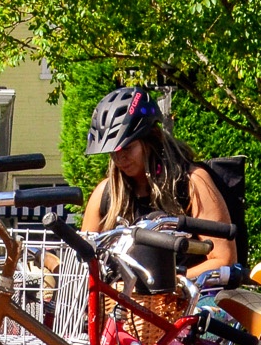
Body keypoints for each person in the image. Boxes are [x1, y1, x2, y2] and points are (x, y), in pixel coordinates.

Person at [80, 85, 238, 280]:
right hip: (123, 302)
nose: (119, 159)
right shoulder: (105, 193)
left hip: (187, 299)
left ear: (152, 140)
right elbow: (83, 260)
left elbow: (224, 258)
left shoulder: (192, 182)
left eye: (127, 148)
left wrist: (167, 284)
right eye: (113, 153)